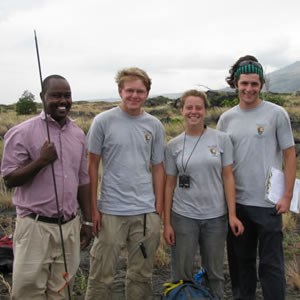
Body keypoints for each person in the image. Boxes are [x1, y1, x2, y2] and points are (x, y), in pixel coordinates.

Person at [1, 74, 92, 299]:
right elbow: (10, 179)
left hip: (69, 226)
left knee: (62, 290)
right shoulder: (22, 132)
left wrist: (88, 220)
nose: (63, 100)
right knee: (28, 292)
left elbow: (83, 180)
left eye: (67, 95)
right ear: (43, 97)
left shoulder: (78, 134)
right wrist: (41, 161)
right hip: (35, 227)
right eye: (56, 95)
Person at [217, 55, 297, 300]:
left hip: (269, 204)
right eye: (244, 83)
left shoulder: (276, 114)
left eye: (254, 84)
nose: (249, 89)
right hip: (238, 205)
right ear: (236, 84)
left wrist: (287, 196)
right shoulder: (226, 119)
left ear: (261, 84)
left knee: (271, 266)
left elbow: (290, 156)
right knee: (242, 265)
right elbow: (222, 165)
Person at [85, 67, 165, 300]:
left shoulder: (154, 125)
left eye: (140, 91)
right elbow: (91, 166)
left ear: (147, 93)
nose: (134, 95)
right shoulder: (103, 121)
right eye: (129, 90)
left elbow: (158, 167)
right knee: (101, 275)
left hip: (145, 212)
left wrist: (158, 206)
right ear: (120, 91)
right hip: (110, 211)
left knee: (141, 275)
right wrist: (93, 208)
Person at [164, 89, 244, 299]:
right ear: (181, 110)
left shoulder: (221, 139)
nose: (194, 111)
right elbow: (169, 184)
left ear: (205, 110)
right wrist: (167, 223)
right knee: (182, 272)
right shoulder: (172, 145)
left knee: (215, 273)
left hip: (215, 218)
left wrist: (232, 214)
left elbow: (228, 177)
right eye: (189, 107)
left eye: (198, 107)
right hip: (183, 217)